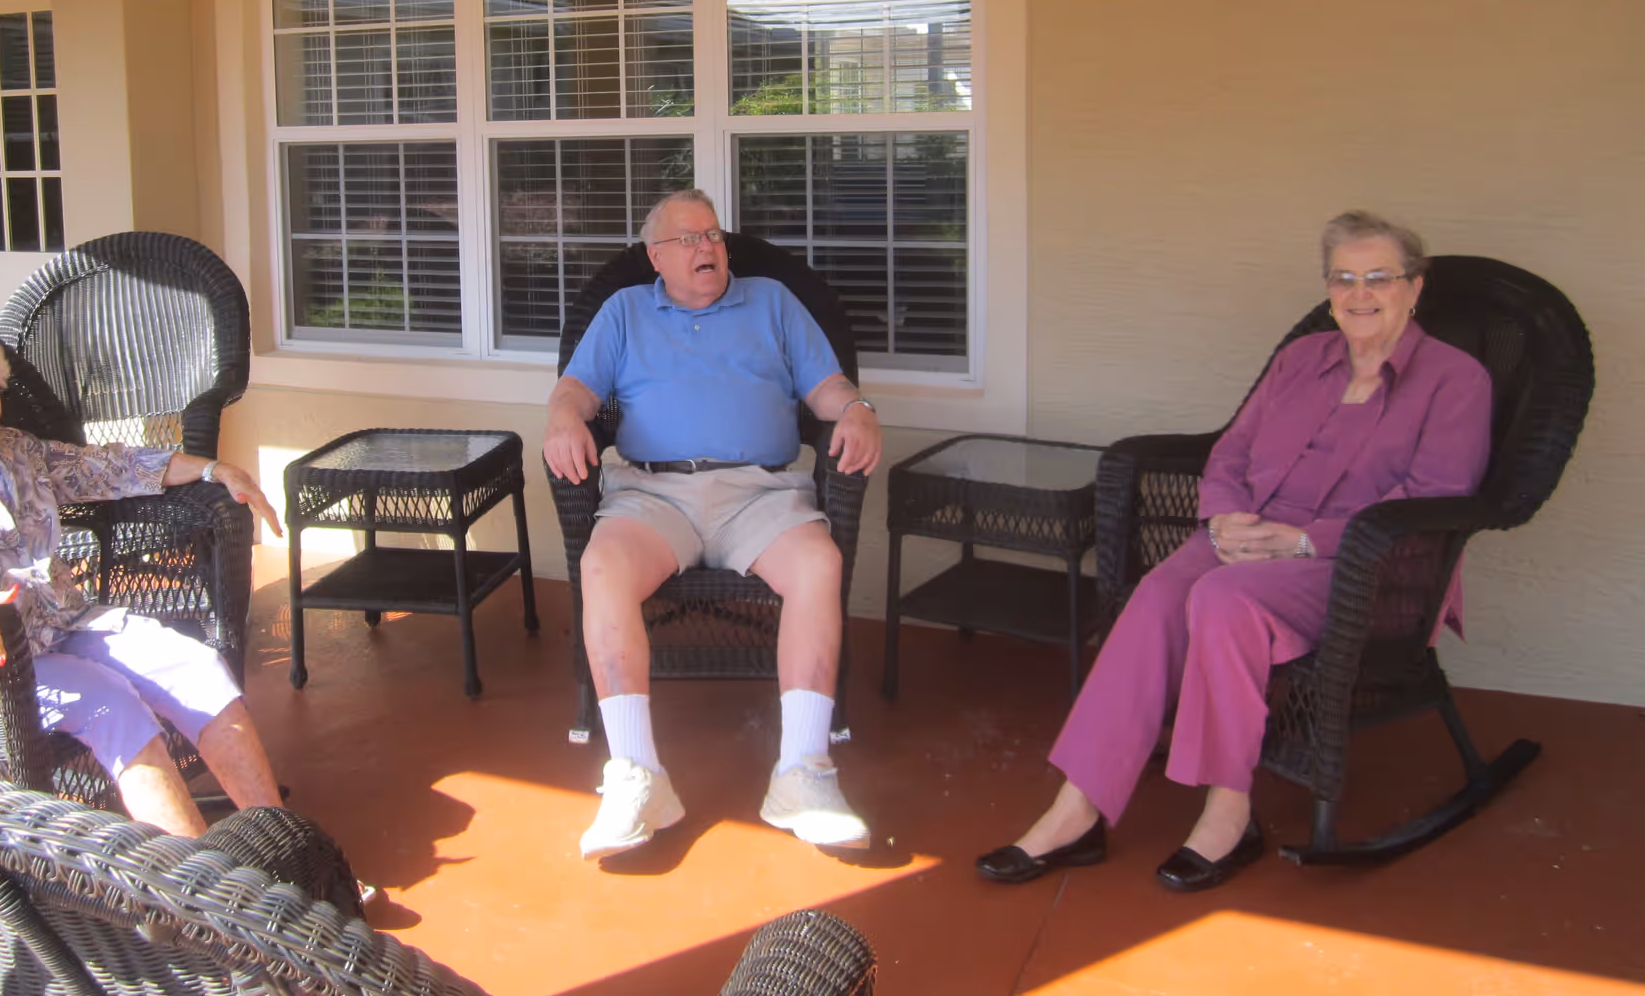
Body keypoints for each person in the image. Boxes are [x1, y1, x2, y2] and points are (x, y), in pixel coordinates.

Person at [976, 211, 1493, 893]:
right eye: (1343, 277)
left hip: (1359, 565)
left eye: (1379, 278)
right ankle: (1079, 808)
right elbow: (1232, 451)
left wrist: (1303, 539)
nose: (1359, 293)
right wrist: (1221, 518)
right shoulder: (1300, 360)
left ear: (1414, 287)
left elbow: (1434, 499)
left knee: (1221, 600)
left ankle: (1229, 810)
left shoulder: (1457, 381)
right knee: (1159, 596)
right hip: (1252, 534)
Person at [544, 190, 883, 860]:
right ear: (657, 257)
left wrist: (858, 408)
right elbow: (575, 390)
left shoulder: (773, 302)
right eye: (689, 239)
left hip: (760, 492)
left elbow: (827, 387)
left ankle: (803, 773)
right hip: (654, 492)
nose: (707, 249)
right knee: (601, 566)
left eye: (713, 236)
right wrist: (561, 419)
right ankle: (637, 777)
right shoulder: (624, 311)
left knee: (819, 564)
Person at [0, 321, 287, 837]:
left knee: (195, 666)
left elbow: (107, 467)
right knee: (110, 700)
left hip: (63, 623)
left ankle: (283, 845)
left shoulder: (15, 450)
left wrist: (215, 469)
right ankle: (198, 890)